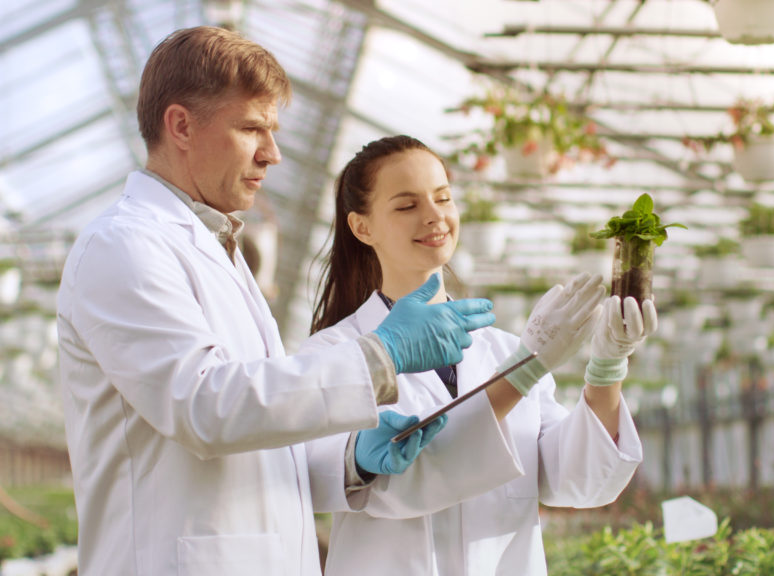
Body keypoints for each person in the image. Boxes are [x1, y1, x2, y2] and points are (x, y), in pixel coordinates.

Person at [56, 27, 495, 576]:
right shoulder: (124, 245)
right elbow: (204, 408)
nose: (273, 153)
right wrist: (379, 356)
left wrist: (350, 458)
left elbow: (258, 436)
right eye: (251, 128)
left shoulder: (220, 250)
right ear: (181, 125)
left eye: (274, 130)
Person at [303, 135, 658, 576]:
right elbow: (389, 487)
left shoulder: (506, 349)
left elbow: (576, 481)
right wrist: (524, 372)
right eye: (406, 205)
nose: (434, 216)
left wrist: (605, 369)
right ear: (363, 227)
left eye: (443, 198)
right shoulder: (335, 356)